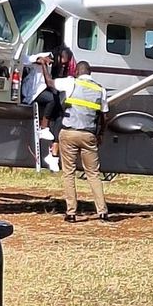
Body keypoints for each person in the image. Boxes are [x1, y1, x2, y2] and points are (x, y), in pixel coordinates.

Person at [58, 61, 110, 222]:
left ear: (77, 72)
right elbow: (104, 116)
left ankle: (71, 212)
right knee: (93, 174)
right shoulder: (100, 89)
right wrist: (100, 134)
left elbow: (53, 87)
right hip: (88, 135)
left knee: (68, 173)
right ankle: (102, 211)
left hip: (69, 133)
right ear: (90, 72)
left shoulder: (71, 83)